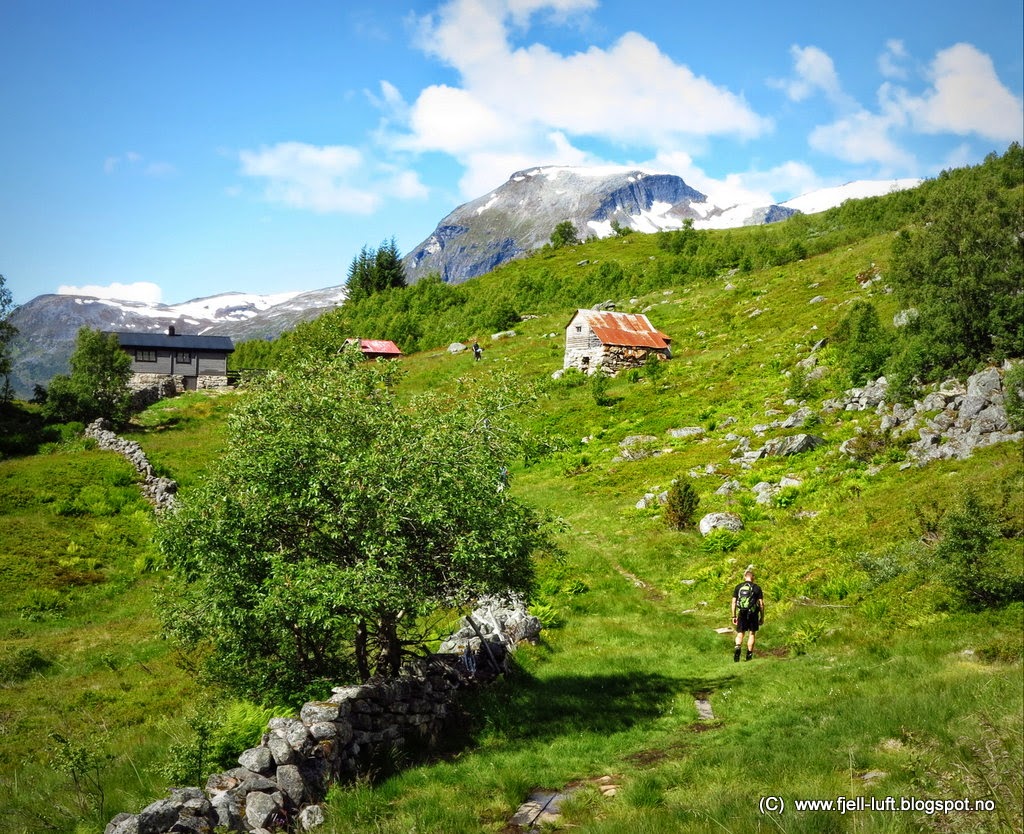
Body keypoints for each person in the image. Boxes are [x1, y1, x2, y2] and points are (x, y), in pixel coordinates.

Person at [731, 567, 764, 662]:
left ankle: (737, 646)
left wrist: (733, 616)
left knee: (740, 633)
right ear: (753, 577)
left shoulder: (738, 587)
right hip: (753, 613)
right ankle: (749, 655)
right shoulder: (757, 588)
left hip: (742, 612)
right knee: (752, 633)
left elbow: (733, 602)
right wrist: (762, 617)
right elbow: (761, 604)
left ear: (745, 576)